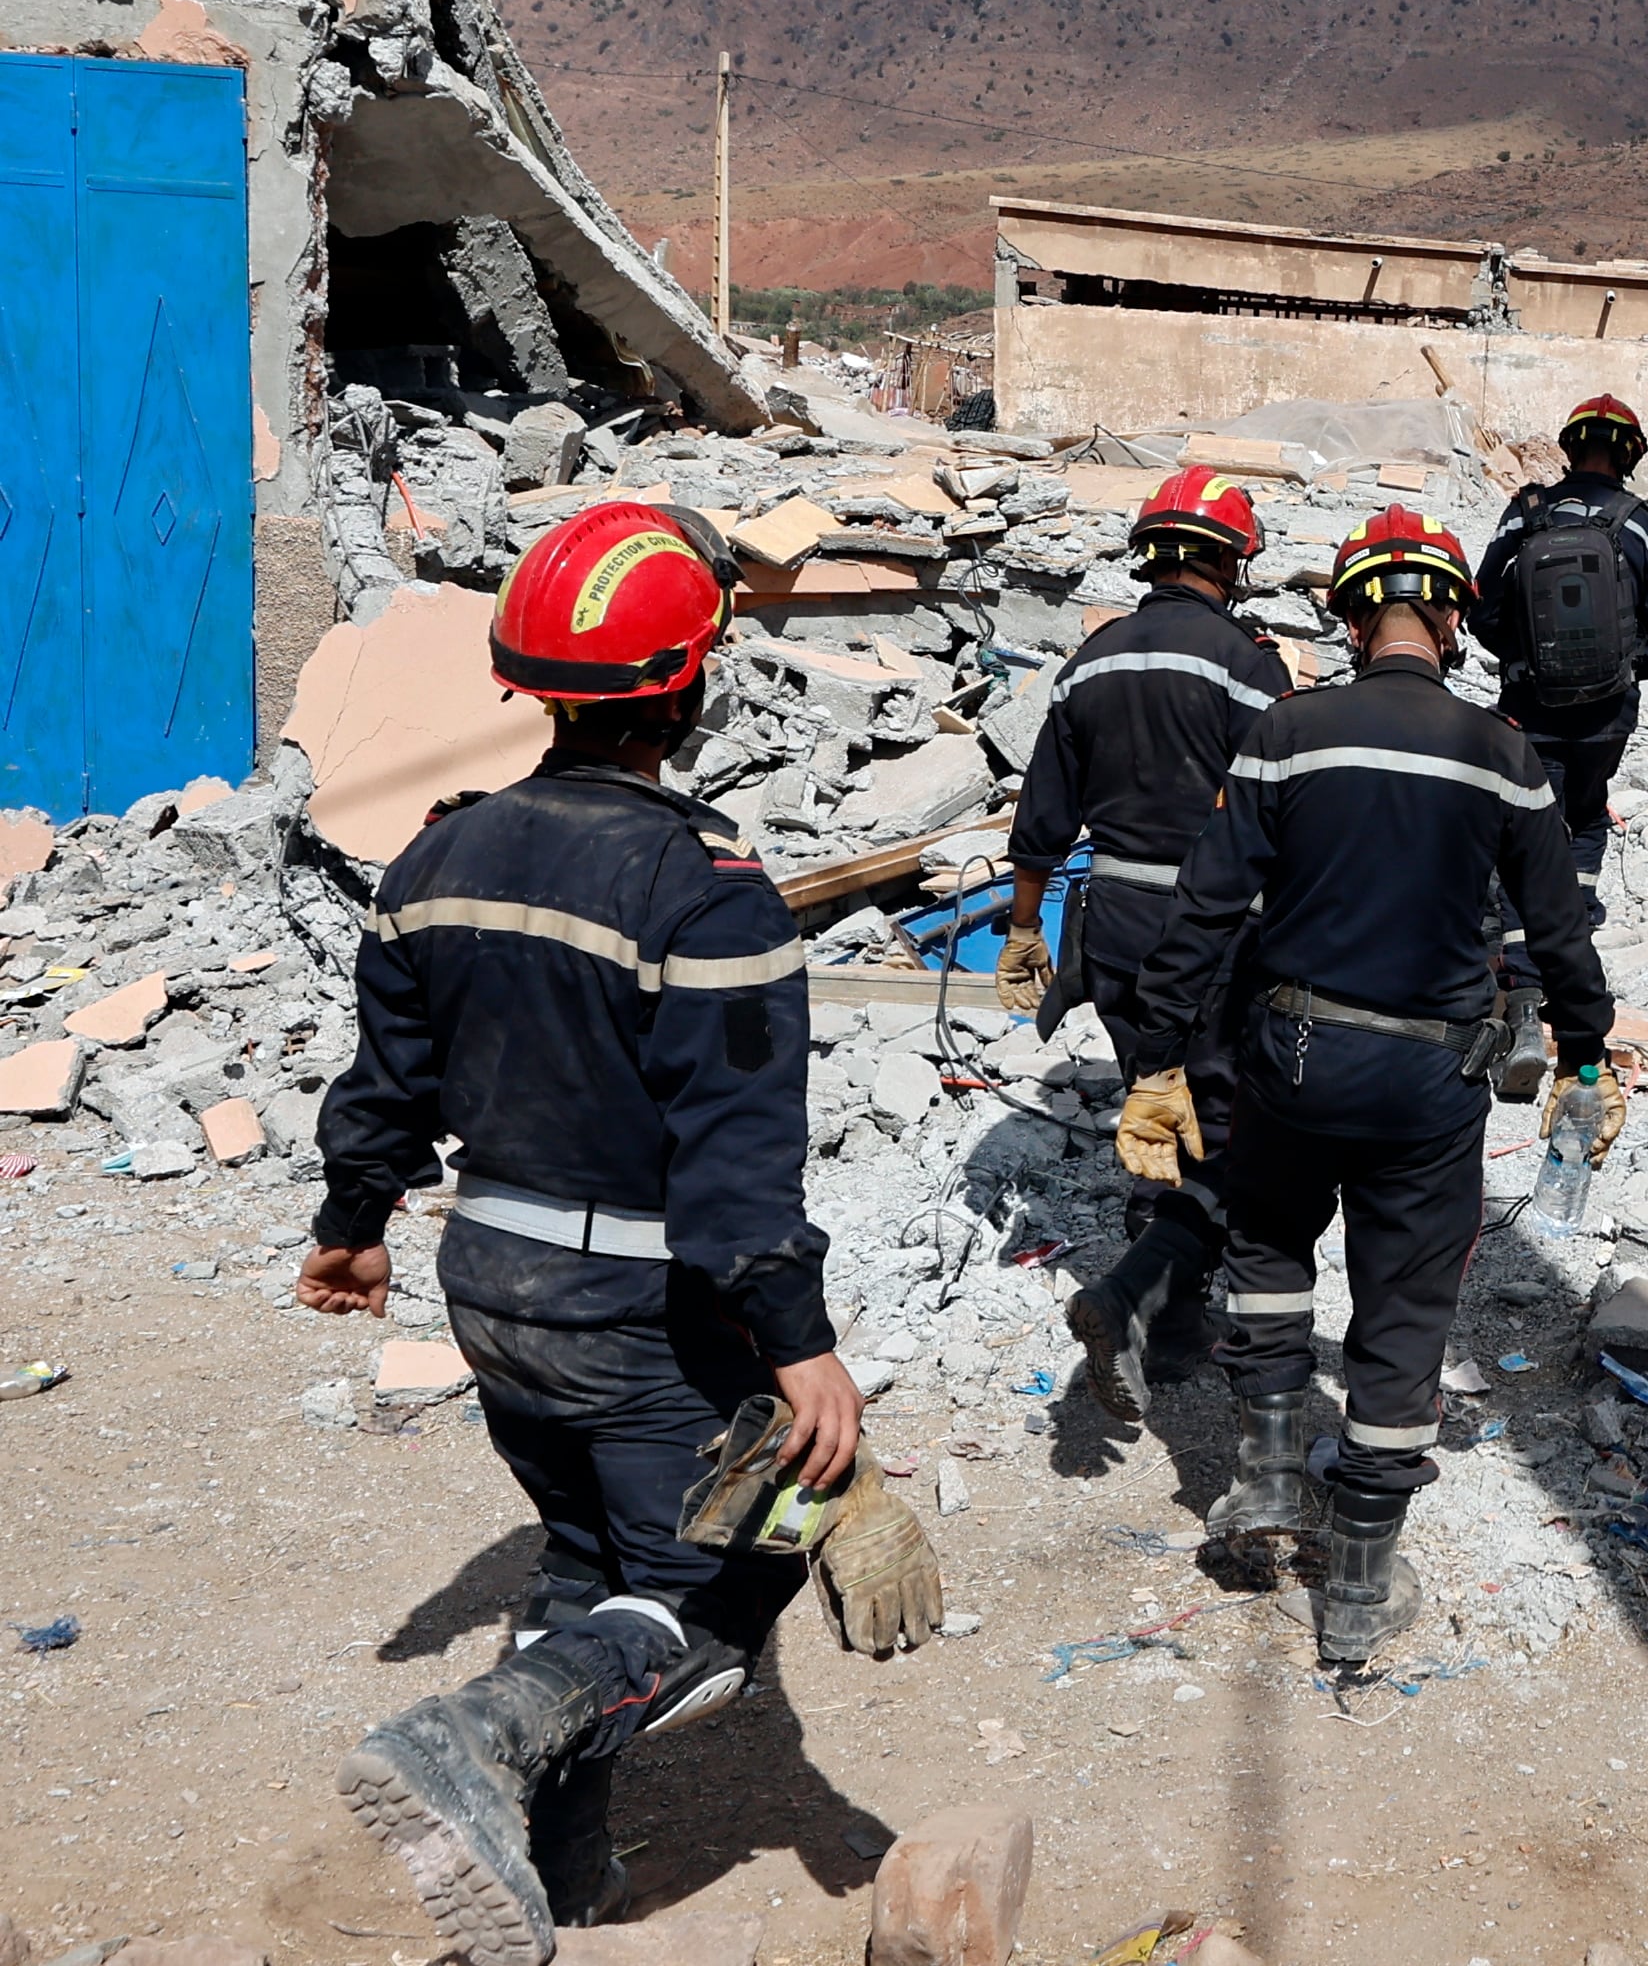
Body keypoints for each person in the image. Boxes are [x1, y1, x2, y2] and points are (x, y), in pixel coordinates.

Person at [302, 502, 940, 1966]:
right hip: (641, 1307)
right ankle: (468, 1745)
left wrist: (352, 1224)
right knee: (719, 1588)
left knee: (587, 1560)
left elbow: (385, 1088)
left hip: (489, 1290)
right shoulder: (704, 892)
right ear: (690, 686)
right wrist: (802, 1351)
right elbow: (736, 1163)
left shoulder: (430, 867)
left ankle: (550, 1866)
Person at [1115, 508, 1617, 1667]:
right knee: (1401, 1310)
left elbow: (1202, 907)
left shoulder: (1289, 733)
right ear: (1452, 617)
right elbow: (1561, 932)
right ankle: (1356, 1580)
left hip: (1289, 1060)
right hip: (1431, 1079)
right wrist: (1585, 1056)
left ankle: (1270, 1476)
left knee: (1267, 1255)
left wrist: (1154, 1060)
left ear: (1348, 618)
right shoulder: (1502, 752)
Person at [995, 468, 1296, 1422]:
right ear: (1230, 561)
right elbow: (1287, 815)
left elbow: (1043, 813)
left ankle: (1160, 1308)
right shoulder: (1250, 670)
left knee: (1146, 1097)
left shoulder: (1090, 663)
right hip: (1208, 930)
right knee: (1218, 1123)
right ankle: (1155, 1313)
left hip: (1111, 921)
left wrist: (1019, 927)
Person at [1467, 395, 1648, 1098]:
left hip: (1527, 712)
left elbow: (1482, 612)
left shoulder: (1525, 513)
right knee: (1584, 820)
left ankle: (1524, 986)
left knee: (1519, 838)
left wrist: (1527, 663)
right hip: (1604, 722)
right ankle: (1575, 947)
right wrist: (1617, 673)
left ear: (1568, 447)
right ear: (1630, 455)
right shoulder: (1643, 526)